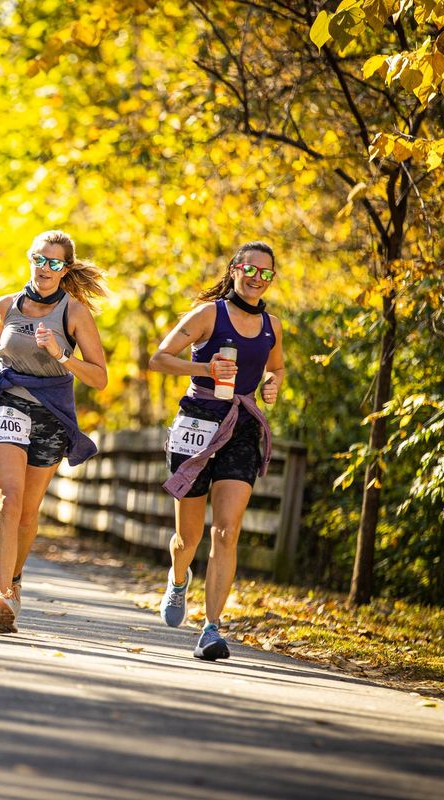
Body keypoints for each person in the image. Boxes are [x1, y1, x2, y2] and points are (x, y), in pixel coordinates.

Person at [0, 230, 108, 633]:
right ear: (30, 259)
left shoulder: (74, 313)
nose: (45, 269)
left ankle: (15, 581)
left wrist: (63, 355)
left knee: (27, 512)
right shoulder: (6, 305)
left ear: (65, 269)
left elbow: (100, 378)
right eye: (39, 259)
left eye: (55, 263)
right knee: (9, 497)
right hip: (7, 402)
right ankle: (2, 593)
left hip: (53, 413)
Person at [147, 241, 285, 659]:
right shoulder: (209, 314)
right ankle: (178, 578)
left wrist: (273, 383)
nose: (257, 278)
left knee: (227, 530)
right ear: (235, 269)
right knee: (187, 539)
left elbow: (276, 366)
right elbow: (159, 359)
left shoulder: (273, 326)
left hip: (241, 427)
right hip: (197, 425)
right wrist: (204, 368)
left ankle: (211, 628)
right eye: (251, 269)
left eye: (267, 273)